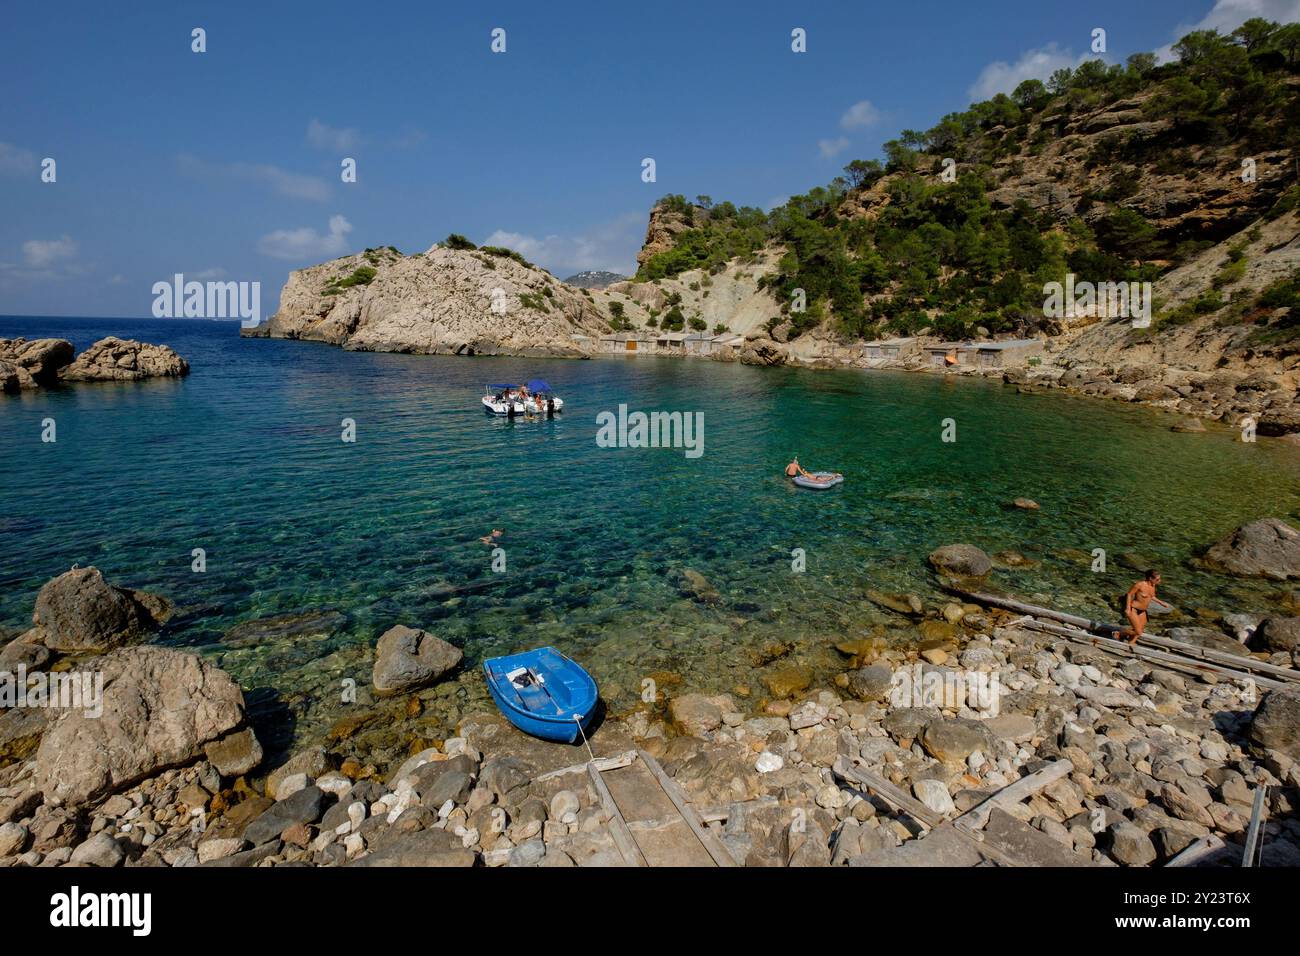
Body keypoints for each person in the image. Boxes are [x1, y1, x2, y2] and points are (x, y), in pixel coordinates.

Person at [1117, 570, 1161, 645]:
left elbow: (1152, 596)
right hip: (1133, 609)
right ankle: (1119, 634)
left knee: (1139, 630)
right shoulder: (1139, 584)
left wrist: (1162, 603)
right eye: (1157, 579)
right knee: (1138, 631)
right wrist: (1127, 608)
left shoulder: (1153, 586)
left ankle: (1130, 644)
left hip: (1143, 611)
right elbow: (1129, 594)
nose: (1159, 581)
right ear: (1150, 578)